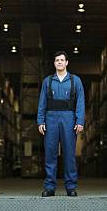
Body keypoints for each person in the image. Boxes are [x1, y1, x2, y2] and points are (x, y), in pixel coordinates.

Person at [37, 51, 85, 197]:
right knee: (50, 153)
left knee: (69, 154)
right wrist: (40, 121)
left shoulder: (75, 80)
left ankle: (70, 187)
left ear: (66, 63)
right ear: (54, 63)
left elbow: (81, 101)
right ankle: (50, 187)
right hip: (51, 118)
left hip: (69, 119)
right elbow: (42, 102)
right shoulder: (48, 81)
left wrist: (80, 120)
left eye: (62, 60)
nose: (59, 62)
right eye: (57, 60)